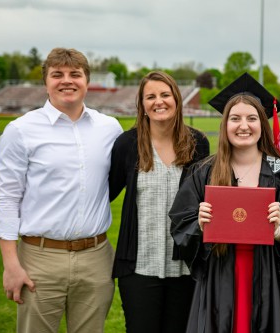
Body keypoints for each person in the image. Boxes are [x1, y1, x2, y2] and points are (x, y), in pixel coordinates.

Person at [169, 73, 280, 333]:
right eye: (235, 118)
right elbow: (181, 224)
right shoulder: (204, 171)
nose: (243, 126)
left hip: (267, 276)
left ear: (262, 124)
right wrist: (200, 225)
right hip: (219, 275)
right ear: (225, 125)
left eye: (252, 118)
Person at [0, 48, 123, 333]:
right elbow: (5, 198)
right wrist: (11, 265)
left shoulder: (109, 128)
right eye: (57, 74)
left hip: (96, 257)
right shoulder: (21, 130)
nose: (67, 81)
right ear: (46, 82)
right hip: (40, 257)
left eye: (75, 74)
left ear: (86, 80)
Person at [108, 70, 210, 332]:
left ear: (177, 100)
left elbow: (206, 197)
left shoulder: (198, 143)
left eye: (165, 94)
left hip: (185, 268)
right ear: (142, 105)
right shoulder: (127, 144)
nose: (159, 101)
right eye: (150, 96)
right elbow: (104, 194)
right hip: (140, 267)